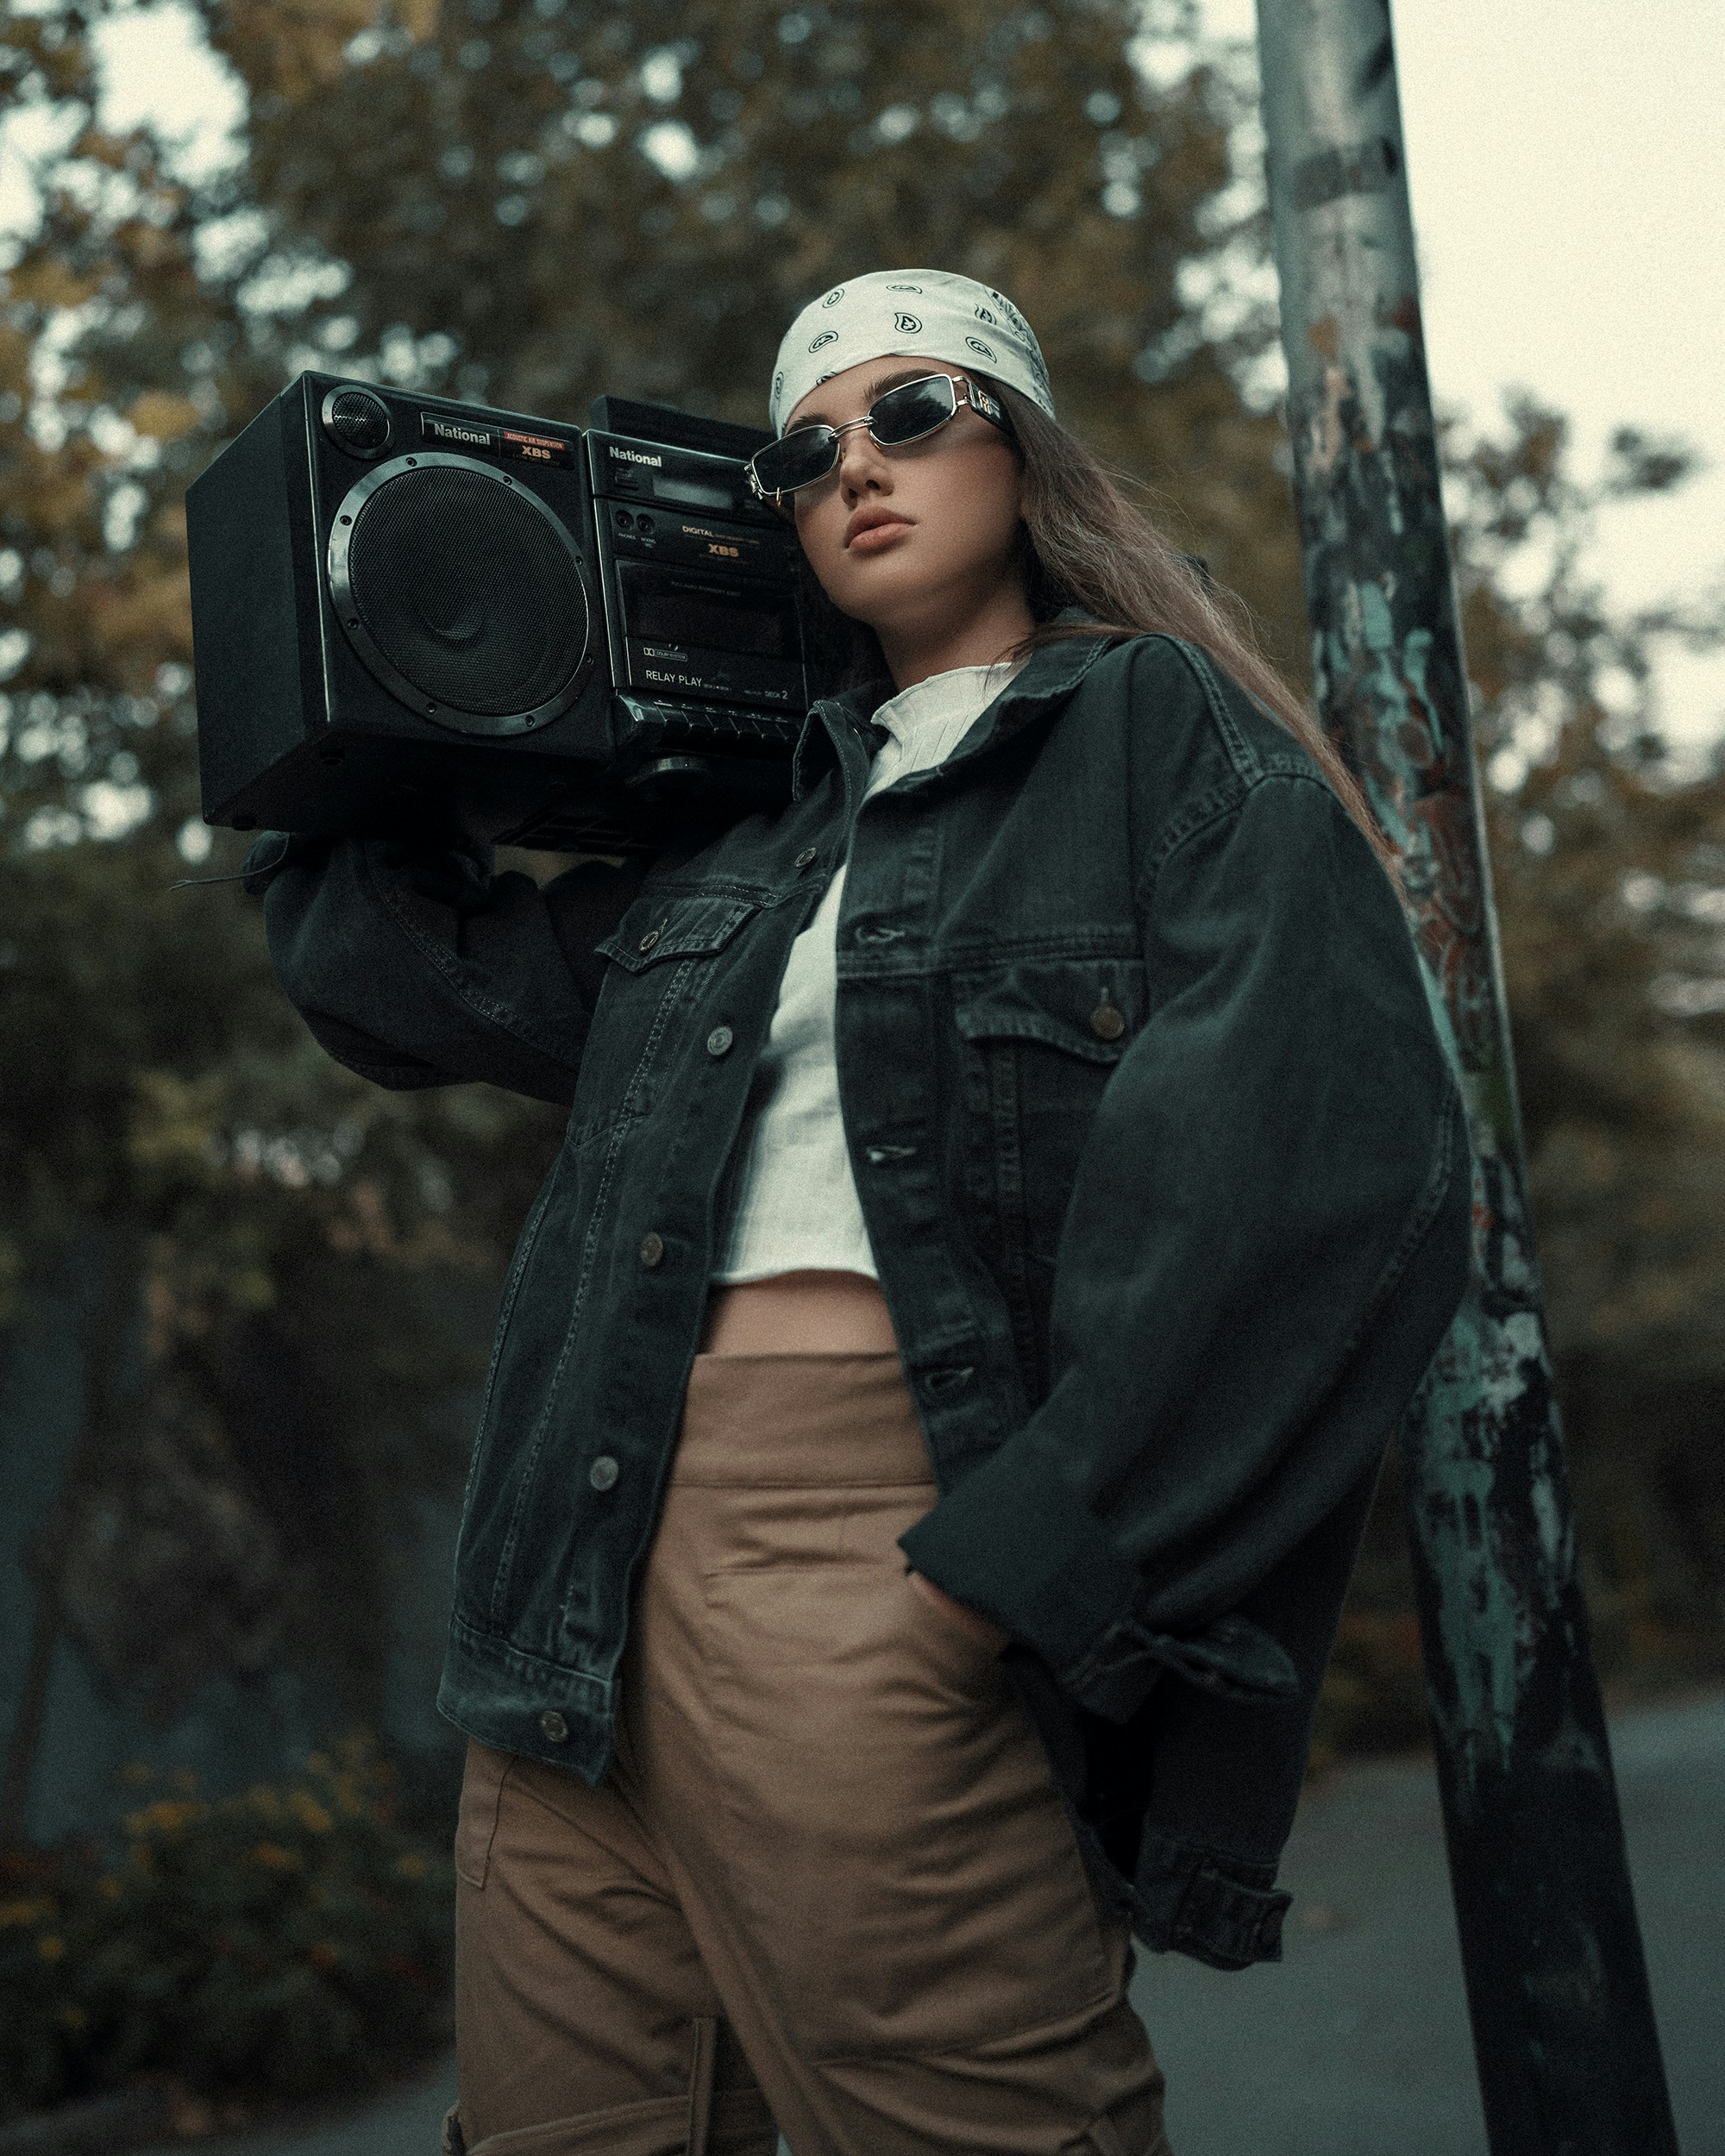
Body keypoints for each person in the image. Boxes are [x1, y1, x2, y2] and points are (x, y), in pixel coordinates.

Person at [246, 267, 1474, 2156]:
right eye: (803, 453)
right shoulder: (740, 836)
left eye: (912, 413)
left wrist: (1016, 1568)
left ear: (1022, 444)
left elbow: (1318, 1176)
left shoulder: (1152, 736)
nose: (854, 470)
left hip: (883, 1555)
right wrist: (373, 691)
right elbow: (407, 980)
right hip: (569, 1575)